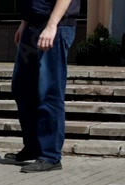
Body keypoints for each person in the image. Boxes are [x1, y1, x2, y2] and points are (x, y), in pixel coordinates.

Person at [5, 0, 80, 173]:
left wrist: (52, 24)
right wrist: (24, 23)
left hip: (55, 26)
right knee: (22, 87)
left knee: (49, 91)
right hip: (33, 26)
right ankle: (33, 147)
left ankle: (50, 156)